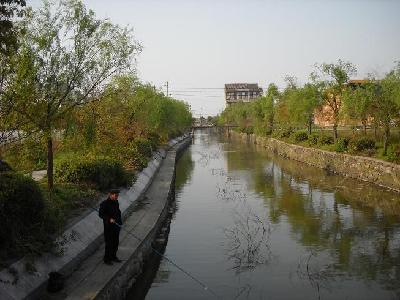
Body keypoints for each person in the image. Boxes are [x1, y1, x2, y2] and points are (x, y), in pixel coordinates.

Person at [99, 189, 123, 265]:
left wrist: (120, 222)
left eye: (117, 196)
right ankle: (107, 259)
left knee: (116, 242)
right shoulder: (104, 204)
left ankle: (113, 256)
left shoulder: (116, 202)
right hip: (109, 227)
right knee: (109, 243)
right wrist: (109, 219)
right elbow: (101, 214)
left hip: (116, 226)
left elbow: (118, 212)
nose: (117, 197)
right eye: (116, 195)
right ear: (110, 195)